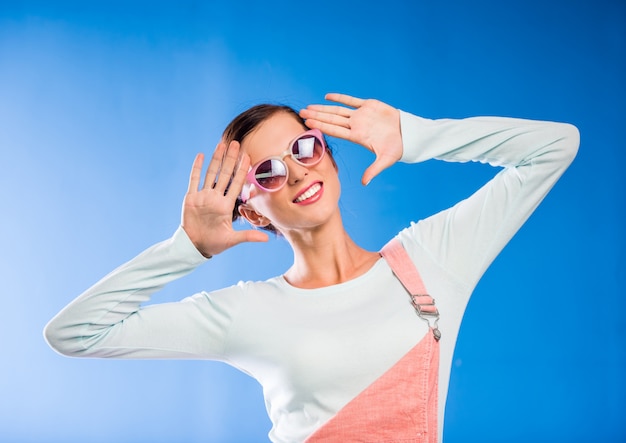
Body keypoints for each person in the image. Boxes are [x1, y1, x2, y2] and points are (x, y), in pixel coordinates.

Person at [44, 93, 579, 442]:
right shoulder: (245, 312)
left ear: (328, 150)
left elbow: (556, 146)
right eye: (270, 172)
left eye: (305, 147)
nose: (298, 171)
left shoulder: (430, 263)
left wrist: (414, 136)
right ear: (251, 209)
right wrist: (187, 248)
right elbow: (74, 334)